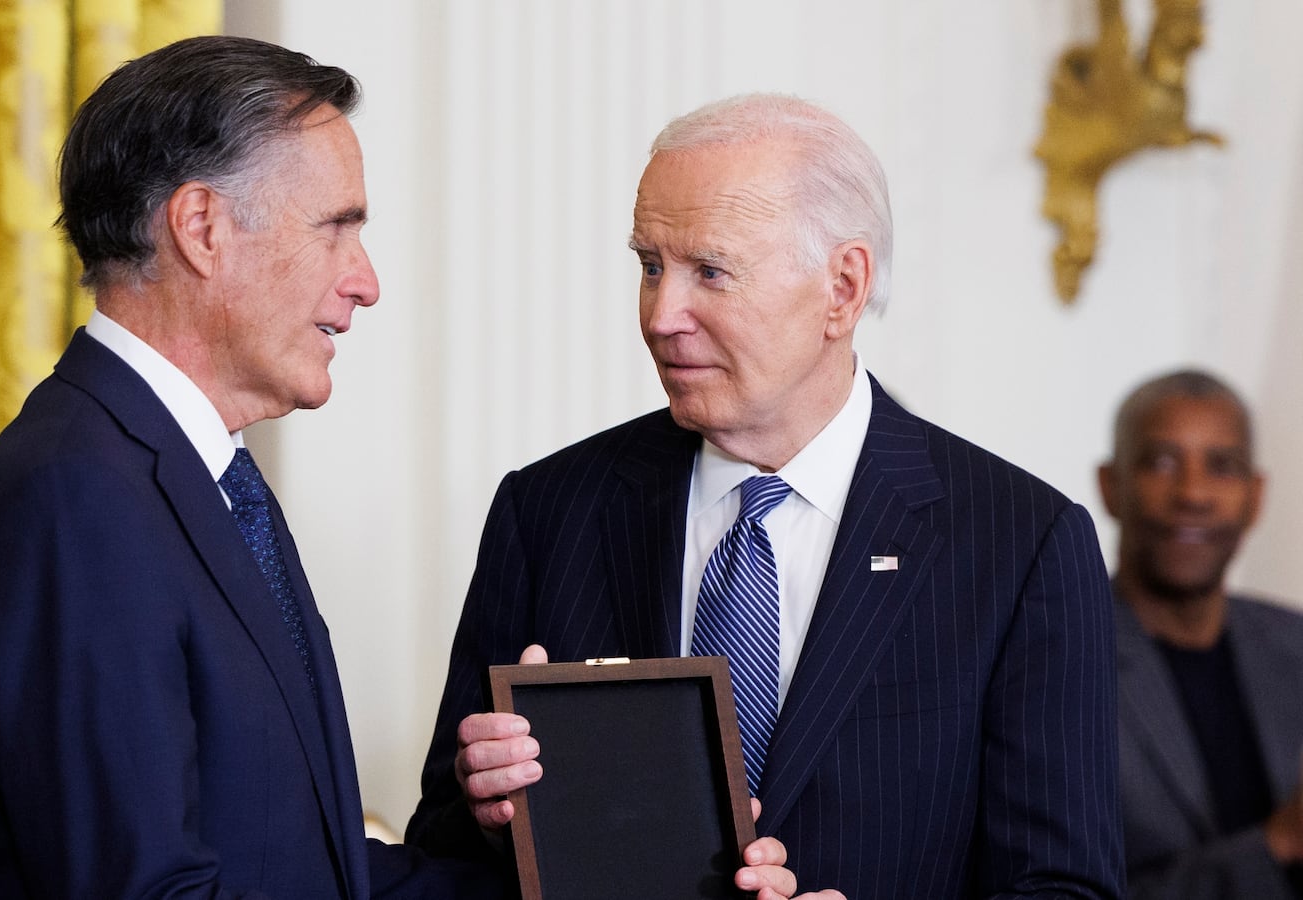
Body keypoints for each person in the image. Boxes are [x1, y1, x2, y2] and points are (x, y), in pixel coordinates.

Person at [0, 35, 797, 899]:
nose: (366, 281)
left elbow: (314, 868)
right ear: (202, 229)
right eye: (337, 227)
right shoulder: (77, 501)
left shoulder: (195, 478)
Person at [406, 93, 1125, 899]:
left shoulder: (1019, 542)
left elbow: (1068, 887)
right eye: (650, 266)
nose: (661, 314)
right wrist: (485, 806)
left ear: (842, 288)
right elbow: (438, 846)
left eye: (710, 271)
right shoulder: (548, 511)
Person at [1098, 370, 1303, 898]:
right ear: (1109, 486)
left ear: (1255, 498)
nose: (1193, 493)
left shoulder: (1294, 644)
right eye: (1162, 462)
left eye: (1222, 466)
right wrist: (1277, 844)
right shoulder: (1057, 657)